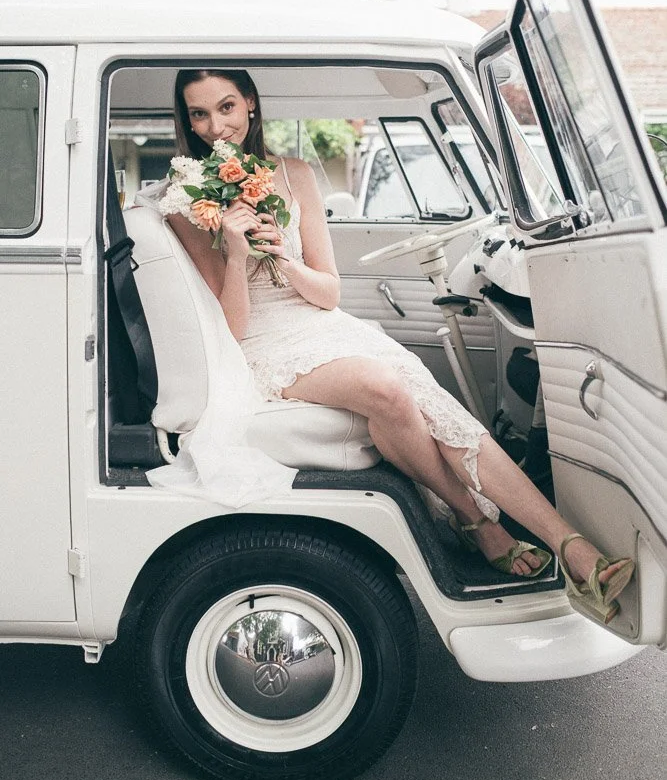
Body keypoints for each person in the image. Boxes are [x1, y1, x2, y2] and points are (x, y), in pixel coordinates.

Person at [165, 67, 634, 624]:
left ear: (248, 105)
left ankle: (569, 547)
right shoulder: (188, 201)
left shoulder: (292, 177)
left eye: (225, 107)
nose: (216, 126)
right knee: (386, 387)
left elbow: (329, 292)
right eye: (199, 114)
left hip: (322, 323)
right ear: (188, 122)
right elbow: (231, 329)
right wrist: (239, 253)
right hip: (261, 344)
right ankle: (481, 522)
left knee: (417, 398)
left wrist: (283, 258)